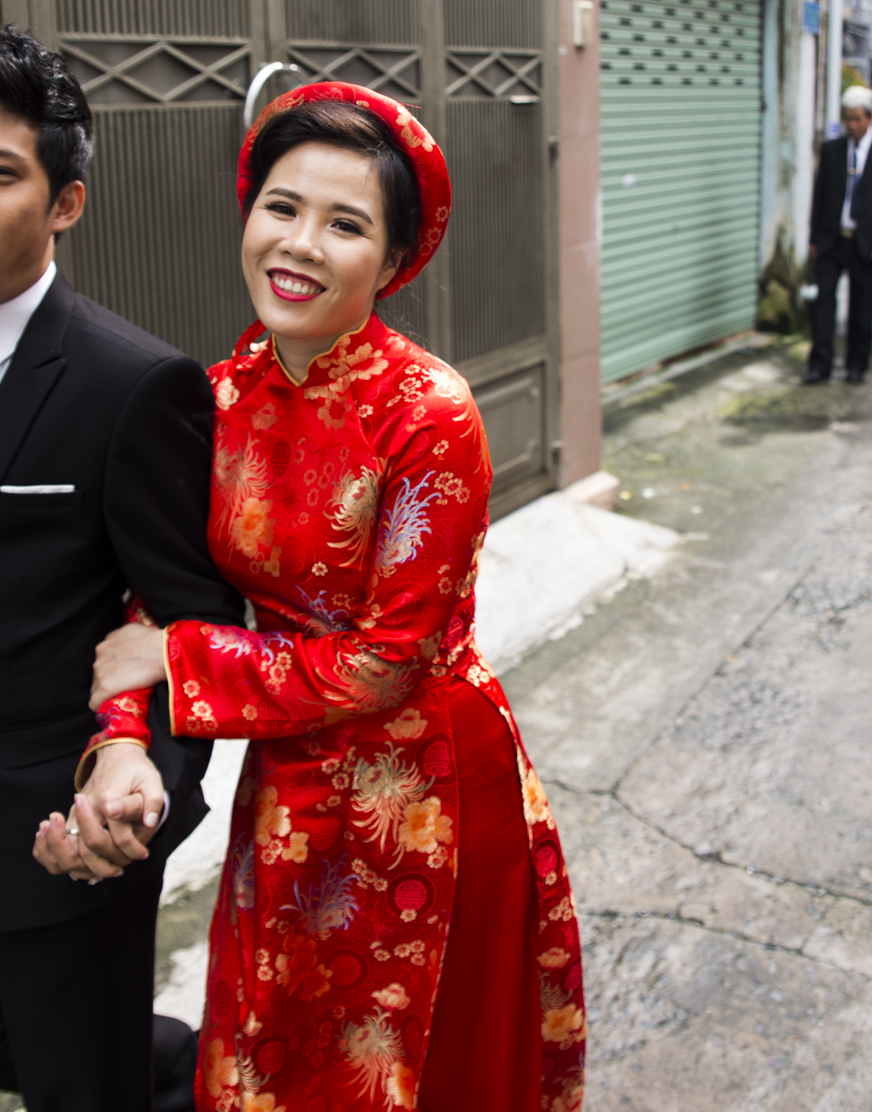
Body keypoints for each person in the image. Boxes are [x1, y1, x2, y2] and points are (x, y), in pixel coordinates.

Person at [38, 84, 586, 1111]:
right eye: (282, 207)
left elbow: (388, 662)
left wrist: (181, 661)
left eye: (346, 224)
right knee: (274, 1045)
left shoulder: (428, 415)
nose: (300, 244)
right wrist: (119, 743)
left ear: (393, 257)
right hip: (288, 784)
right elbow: (153, 602)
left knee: (417, 1066)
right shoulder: (213, 399)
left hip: (423, 794)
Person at [0, 20, 242, 1112]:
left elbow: (190, 621)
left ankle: (189, 1076)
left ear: (63, 202)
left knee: (80, 1092)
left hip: (62, 825)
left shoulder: (133, 385)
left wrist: (142, 793)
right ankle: (191, 1069)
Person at [806, 86, 872, 384]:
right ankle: (819, 365)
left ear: (871, 117)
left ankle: (855, 366)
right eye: (847, 119)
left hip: (867, 241)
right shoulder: (832, 150)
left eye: (857, 119)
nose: (852, 125)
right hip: (832, 239)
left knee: (862, 307)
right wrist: (814, 237)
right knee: (824, 302)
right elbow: (820, 195)